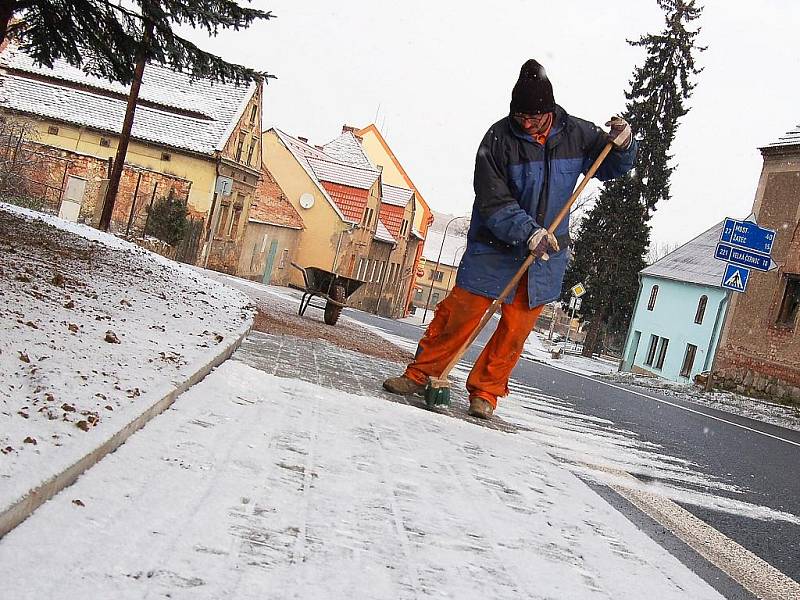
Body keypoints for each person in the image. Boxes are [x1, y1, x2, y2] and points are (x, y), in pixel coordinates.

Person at [384, 59, 637, 419]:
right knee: (460, 314)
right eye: (521, 116)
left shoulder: (578, 134)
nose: (527, 123)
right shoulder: (498, 139)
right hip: (496, 245)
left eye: (534, 117)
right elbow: (492, 199)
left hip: (545, 254)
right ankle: (421, 374)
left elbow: (611, 166)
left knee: (515, 329)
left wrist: (624, 145)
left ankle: (486, 392)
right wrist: (527, 231)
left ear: (549, 110)